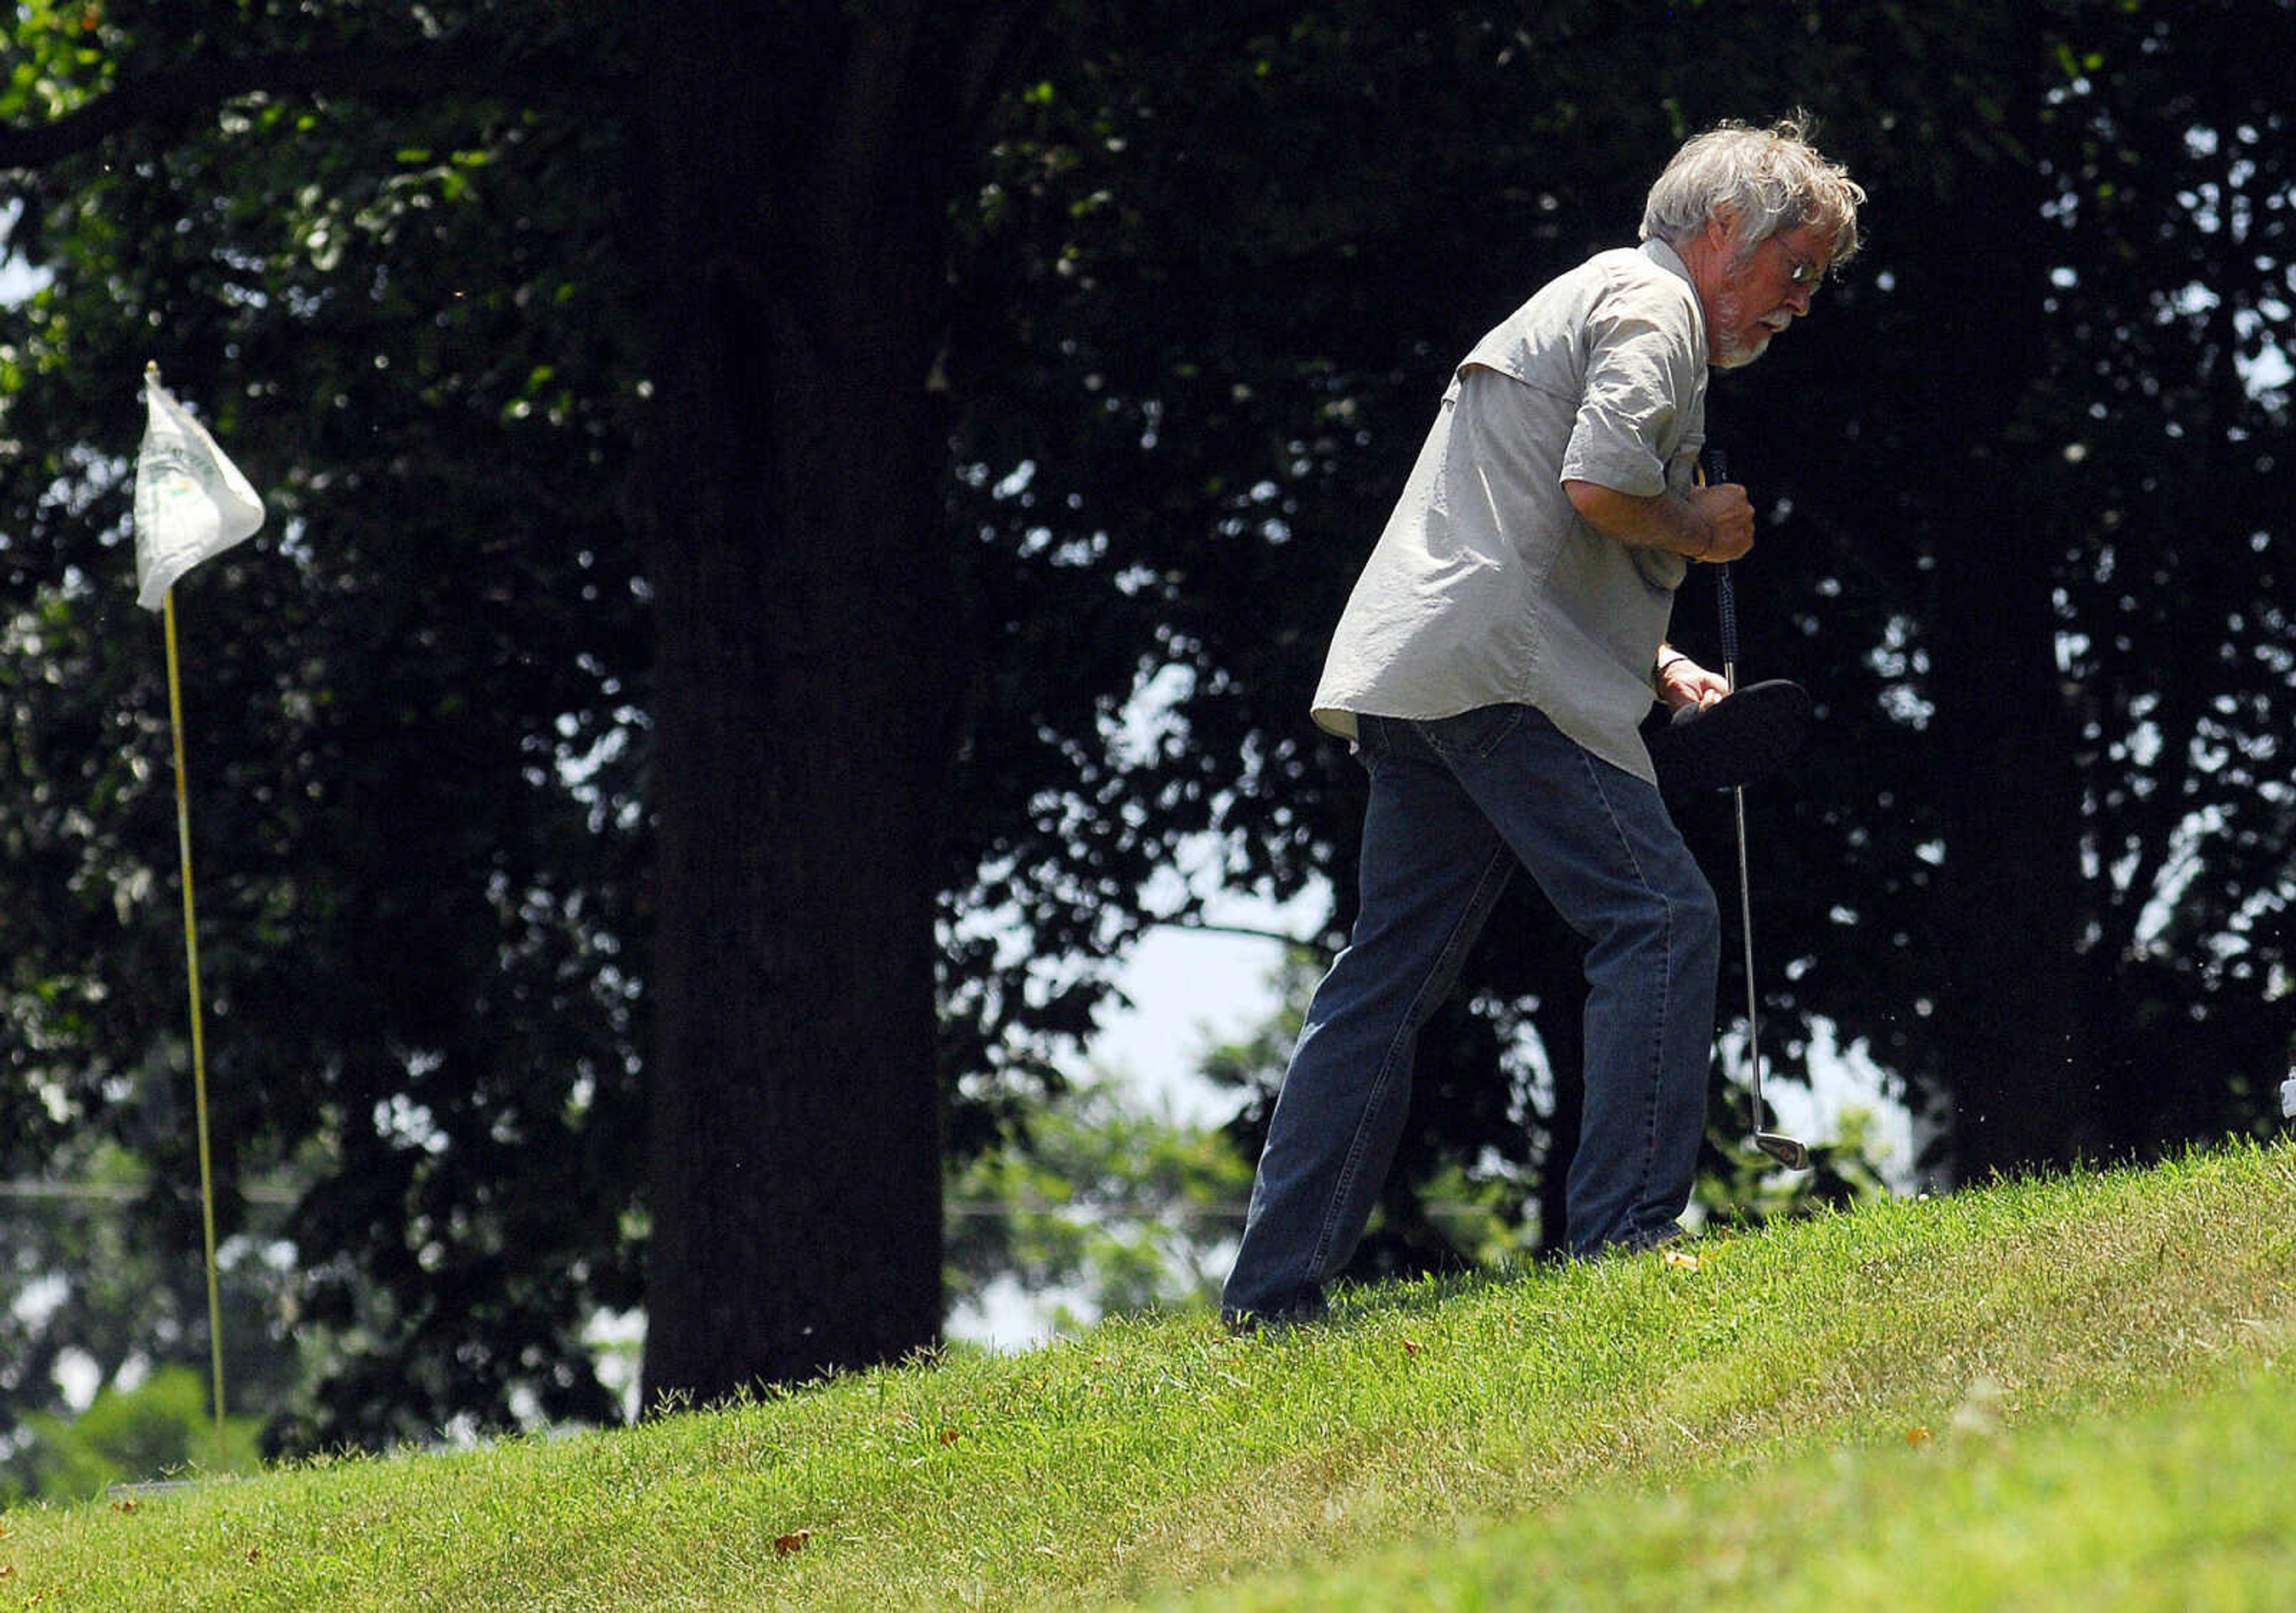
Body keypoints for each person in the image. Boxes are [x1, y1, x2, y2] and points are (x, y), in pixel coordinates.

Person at [1223, 115, 1864, 1327]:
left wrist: (1663, 659)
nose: (1802, 303)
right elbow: (1599, 482)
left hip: (1421, 670)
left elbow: (1534, 517)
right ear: (1723, 228)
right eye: (1798, 268)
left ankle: (1271, 1296)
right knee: (1662, 916)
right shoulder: (1655, 306)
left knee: (1383, 983)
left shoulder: (1594, 295)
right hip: (1507, 679)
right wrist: (1702, 527)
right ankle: (1626, 1244)